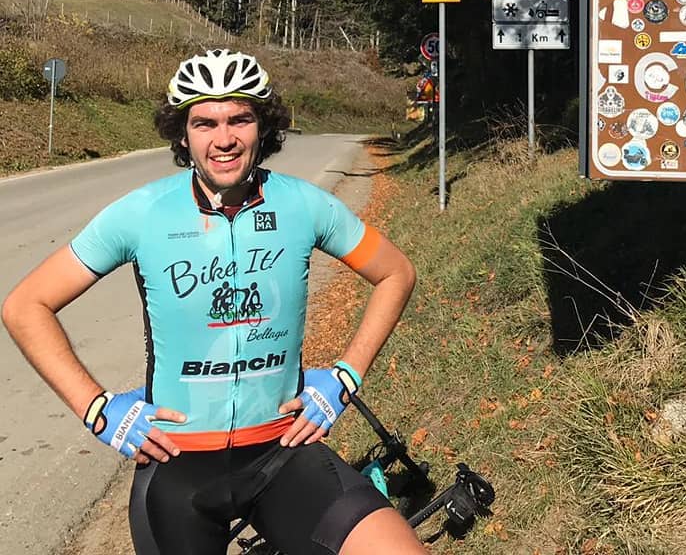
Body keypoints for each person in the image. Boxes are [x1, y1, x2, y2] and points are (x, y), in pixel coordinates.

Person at [2, 48, 426, 555]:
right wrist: (97, 409)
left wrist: (345, 377)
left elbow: (396, 273)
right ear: (182, 134)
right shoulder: (141, 214)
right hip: (178, 466)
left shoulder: (304, 204)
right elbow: (26, 305)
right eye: (204, 122)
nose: (223, 139)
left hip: (284, 450)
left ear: (262, 127)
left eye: (239, 119)